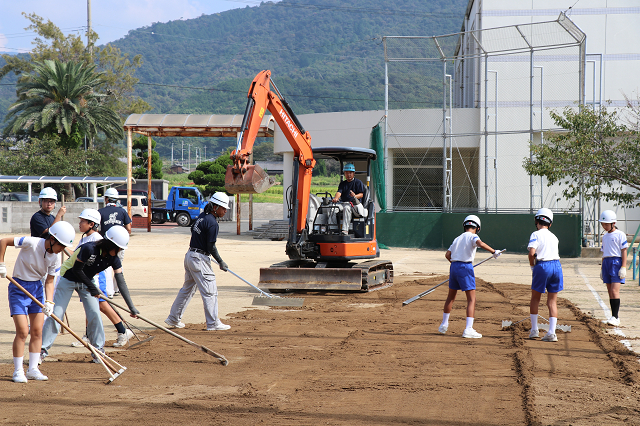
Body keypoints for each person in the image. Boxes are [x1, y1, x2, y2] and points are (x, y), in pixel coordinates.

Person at [41, 226, 139, 363]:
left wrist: (131, 307)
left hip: (87, 281)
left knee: (94, 314)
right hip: (68, 277)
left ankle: (98, 351)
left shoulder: (113, 258)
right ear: (110, 244)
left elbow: (121, 281)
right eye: (118, 248)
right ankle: (41, 351)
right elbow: (77, 269)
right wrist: (93, 288)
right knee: (57, 314)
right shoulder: (89, 248)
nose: (119, 251)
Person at [0, 221, 75, 383]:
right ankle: (18, 370)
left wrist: (49, 302)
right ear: (53, 239)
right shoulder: (31, 242)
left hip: (37, 290)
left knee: (37, 331)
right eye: (61, 245)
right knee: (22, 332)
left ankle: (33, 369)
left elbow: (49, 281)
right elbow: (3, 241)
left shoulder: (55, 258)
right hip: (18, 288)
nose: (62, 250)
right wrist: (1, 264)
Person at [165, 192, 231, 331]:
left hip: (190, 256)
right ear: (215, 207)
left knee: (187, 290)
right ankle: (213, 323)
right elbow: (210, 246)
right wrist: (220, 261)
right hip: (199, 259)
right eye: (223, 208)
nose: (225, 211)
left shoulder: (202, 217)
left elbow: (192, 229)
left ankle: (173, 318)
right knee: (210, 291)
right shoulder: (212, 223)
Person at [73, 209, 135, 347]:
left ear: (91, 224)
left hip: (97, 277)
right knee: (92, 306)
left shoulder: (97, 239)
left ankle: (121, 331)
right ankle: (92, 335)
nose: (79, 223)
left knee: (101, 305)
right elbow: (76, 256)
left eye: (82, 221)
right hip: (86, 277)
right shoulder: (85, 238)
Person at [438, 215, 500, 339]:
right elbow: (479, 243)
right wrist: (494, 252)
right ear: (477, 228)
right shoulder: (473, 236)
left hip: (454, 267)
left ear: (464, 226)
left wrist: (456, 263)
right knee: (471, 299)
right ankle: (468, 329)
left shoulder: (457, 238)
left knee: (451, 297)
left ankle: (443, 325)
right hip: (465, 267)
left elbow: (447, 255)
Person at [527, 208, 564, 342]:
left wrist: (532, 266)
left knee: (535, 299)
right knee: (552, 301)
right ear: (550, 223)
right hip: (557, 266)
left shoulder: (535, 234)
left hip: (543, 266)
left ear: (537, 220)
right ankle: (552, 333)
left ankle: (534, 330)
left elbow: (532, 253)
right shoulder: (554, 236)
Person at [98, 187, 131, 296]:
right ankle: (117, 289)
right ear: (116, 199)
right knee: (118, 265)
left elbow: (95, 228)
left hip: (105, 243)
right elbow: (129, 229)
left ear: (106, 199)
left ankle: (108, 291)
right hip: (119, 244)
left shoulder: (100, 212)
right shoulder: (122, 211)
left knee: (105, 267)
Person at [598, 210, 628, 326]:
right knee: (610, 291)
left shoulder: (620, 234)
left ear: (613, 223)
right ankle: (613, 316)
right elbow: (604, 253)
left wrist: (623, 266)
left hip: (616, 262)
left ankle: (616, 317)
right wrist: (601, 269)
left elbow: (624, 251)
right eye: (603, 224)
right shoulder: (605, 237)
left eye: (606, 224)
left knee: (615, 291)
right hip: (606, 263)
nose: (604, 226)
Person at [330, 163, 367, 235]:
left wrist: (354, 196)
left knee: (346, 208)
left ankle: (345, 230)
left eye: (350, 173)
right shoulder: (342, 183)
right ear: (344, 173)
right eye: (346, 173)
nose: (348, 174)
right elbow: (339, 192)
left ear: (354, 173)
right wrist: (336, 198)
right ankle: (333, 228)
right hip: (343, 203)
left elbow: (361, 194)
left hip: (355, 205)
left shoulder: (358, 182)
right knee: (332, 208)